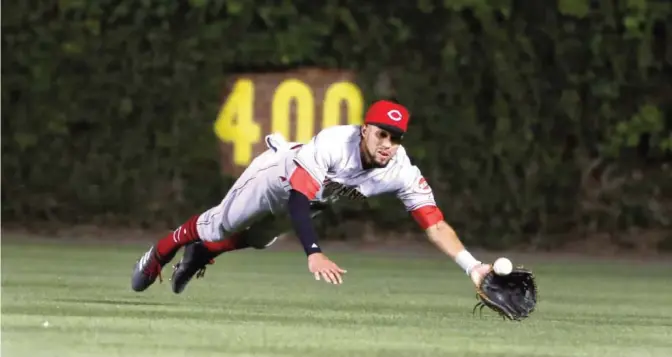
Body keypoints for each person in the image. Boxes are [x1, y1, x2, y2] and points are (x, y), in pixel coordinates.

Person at [130, 100, 492, 294]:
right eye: (382, 134)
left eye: (396, 138)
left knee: (258, 240)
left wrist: (473, 266)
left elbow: (435, 223)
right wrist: (314, 253)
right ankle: (160, 252)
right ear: (364, 129)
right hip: (276, 177)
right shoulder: (336, 142)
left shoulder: (401, 171)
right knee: (218, 225)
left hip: (312, 199)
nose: (388, 145)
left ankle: (199, 255)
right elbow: (297, 199)